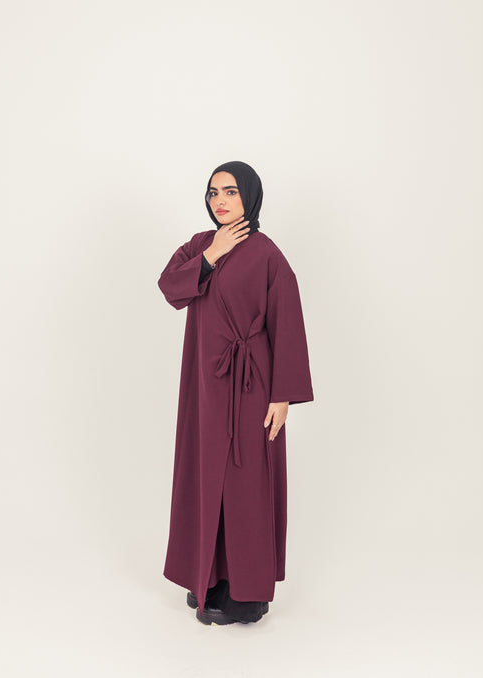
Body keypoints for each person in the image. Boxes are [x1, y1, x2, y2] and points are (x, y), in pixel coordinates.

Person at [158, 160, 314, 625]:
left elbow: (288, 324)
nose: (220, 201)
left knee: (247, 482)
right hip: (205, 387)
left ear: (249, 195)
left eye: (230, 191)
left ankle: (247, 595)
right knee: (206, 476)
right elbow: (170, 287)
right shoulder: (199, 245)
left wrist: (282, 396)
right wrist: (211, 255)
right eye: (213, 193)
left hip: (252, 386)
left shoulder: (268, 254)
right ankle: (207, 578)